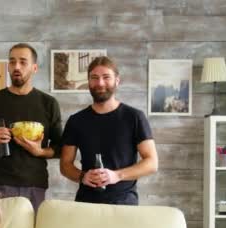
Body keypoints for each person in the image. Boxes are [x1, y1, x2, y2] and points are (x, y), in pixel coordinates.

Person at [0, 43, 63, 211]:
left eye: (23, 62)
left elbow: (61, 149)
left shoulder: (48, 103)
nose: (16, 67)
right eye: (12, 62)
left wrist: (39, 151)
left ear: (34, 68)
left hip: (35, 184)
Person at [59, 56, 158, 205]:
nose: (100, 83)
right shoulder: (76, 121)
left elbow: (152, 163)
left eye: (106, 77)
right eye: (94, 77)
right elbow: (65, 165)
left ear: (117, 81)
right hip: (86, 205)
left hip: (124, 205)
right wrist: (82, 177)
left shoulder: (134, 117)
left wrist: (117, 175)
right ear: (88, 82)